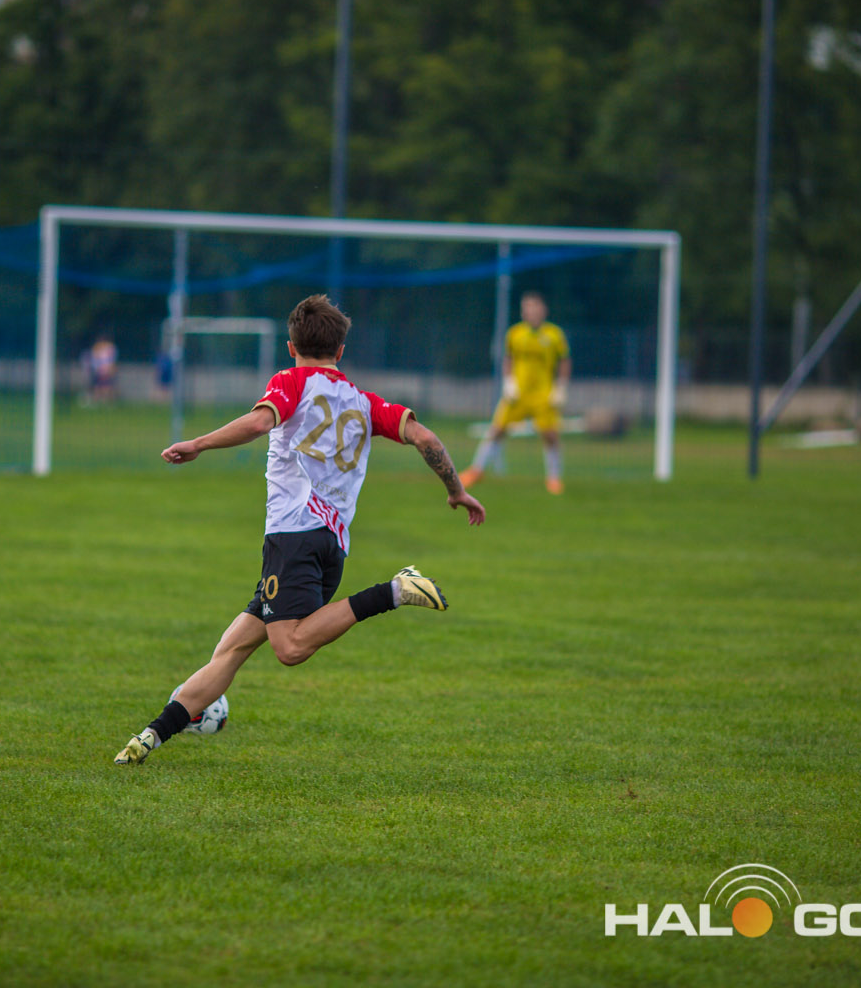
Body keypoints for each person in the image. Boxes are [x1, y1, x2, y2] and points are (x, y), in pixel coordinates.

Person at [114, 294, 487, 764]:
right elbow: (425, 437)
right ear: (341, 351)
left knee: (289, 647)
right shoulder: (364, 402)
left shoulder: (290, 382)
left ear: (291, 347)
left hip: (293, 536)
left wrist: (199, 444)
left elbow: (258, 423)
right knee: (231, 649)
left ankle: (393, 591)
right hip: (331, 544)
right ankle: (147, 739)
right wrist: (456, 490)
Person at [460, 290, 572, 495]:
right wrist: (509, 382)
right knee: (497, 430)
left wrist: (561, 387)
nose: (532, 312)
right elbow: (508, 359)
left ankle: (554, 478)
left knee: (550, 435)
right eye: (527, 308)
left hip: (543, 393)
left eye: (535, 307)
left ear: (543, 310)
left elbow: (564, 360)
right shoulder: (515, 334)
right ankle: (476, 470)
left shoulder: (554, 334)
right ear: (523, 312)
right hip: (518, 393)